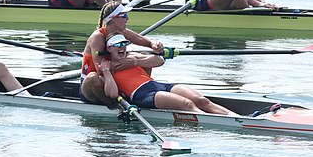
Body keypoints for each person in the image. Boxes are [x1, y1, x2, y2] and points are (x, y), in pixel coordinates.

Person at [101, 34, 237, 115]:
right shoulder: (108, 67)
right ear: (108, 48)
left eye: (124, 43)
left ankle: (236, 116)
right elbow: (112, 94)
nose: (122, 47)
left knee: (202, 101)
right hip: (143, 95)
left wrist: (136, 61)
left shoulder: (132, 56)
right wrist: (106, 72)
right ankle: (217, 121)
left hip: (158, 85)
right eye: (118, 44)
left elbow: (159, 61)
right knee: (187, 104)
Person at [80, 1, 163, 107]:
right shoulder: (97, 37)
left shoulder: (120, 31)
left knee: (144, 55)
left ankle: (142, 93)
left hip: (111, 81)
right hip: (94, 86)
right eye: (124, 16)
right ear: (113, 19)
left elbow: (138, 39)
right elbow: (101, 70)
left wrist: (154, 44)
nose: (127, 19)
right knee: (93, 77)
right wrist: (131, 62)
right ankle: (115, 105)